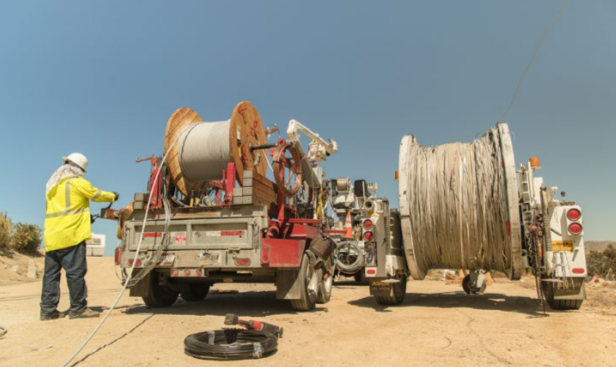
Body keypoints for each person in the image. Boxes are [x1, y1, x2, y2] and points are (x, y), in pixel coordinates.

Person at [40, 153, 119, 320]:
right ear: (78, 169)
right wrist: (113, 195)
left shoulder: (52, 187)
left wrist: (84, 217)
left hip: (52, 237)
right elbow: (97, 195)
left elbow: (65, 209)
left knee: (51, 275)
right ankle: (78, 308)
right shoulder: (76, 183)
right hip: (71, 236)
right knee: (75, 272)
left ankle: (47, 310)